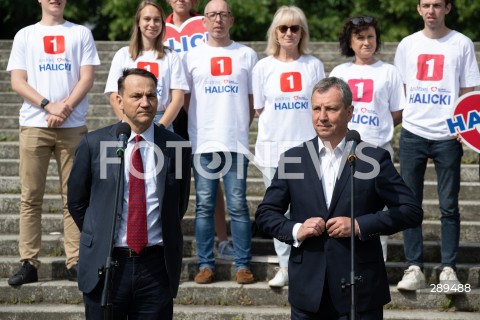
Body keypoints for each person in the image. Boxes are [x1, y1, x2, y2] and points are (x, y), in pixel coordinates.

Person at [255, 77, 423, 319]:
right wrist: (296, 229)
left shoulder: (372, 158)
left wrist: (359, 225)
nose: (322, 116)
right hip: (308, 292)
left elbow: (410, 210)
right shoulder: (293, 158)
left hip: (360, 290)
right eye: (316, 108)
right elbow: (265, 213)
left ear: (349, 112)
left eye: (331, 109)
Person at [67, 68, 192, 319]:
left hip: (155, 267)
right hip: (107, 264)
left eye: (151, 96)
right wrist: (100, 234)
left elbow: (178, 204)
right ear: (120, 101)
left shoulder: (176, 146)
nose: (145, 103)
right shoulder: (95, 143)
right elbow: (77, 201)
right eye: (136, 96)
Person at [6, 0, 100, 286]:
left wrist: (65, 108)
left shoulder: (80, 33)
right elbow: (18, 81)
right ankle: (29, 262)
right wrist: (49, 106)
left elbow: (87, 77)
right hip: (35, 124)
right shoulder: (25, 35)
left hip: (72, 126)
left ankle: (75, 261)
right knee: (30, 197)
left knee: (72, 197)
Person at [394, 0, 480, 292]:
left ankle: (448, 270)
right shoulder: (407, 44)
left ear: (448, 9)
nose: (431, 10)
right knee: (409, 203)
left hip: (447, 136)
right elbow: (400, 88)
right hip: (413, 133)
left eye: (437, 5)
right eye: (426, 5)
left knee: (449, 206)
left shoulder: (462, 43)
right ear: (418, 9)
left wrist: (463, 129)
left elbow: (469, 91)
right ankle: (414, 267)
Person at [183, 0, 258, 284]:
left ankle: (242, 264)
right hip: (203, 141)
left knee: (238, 204)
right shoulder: (191, 56)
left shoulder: (246, 55)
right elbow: (186, 99)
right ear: (203, 21)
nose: (218, 20)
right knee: (203, 204)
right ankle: (206, 264)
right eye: (212, 15)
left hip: (235, 141)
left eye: (223, 15)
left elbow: (252, 101)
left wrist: (237, 125)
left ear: (231, 20)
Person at [252, 5, 324, 288]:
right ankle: (284, 266)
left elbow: (320, 107)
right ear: (275, 32)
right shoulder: (263, 67)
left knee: (306, 208)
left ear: (302, 32)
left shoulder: (313, 65)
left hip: (307, 149)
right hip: (273, 149)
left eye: (295, 28)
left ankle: (306, 263)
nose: (289, 33)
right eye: (283, 28)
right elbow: (260, 108)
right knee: (278, 211)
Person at [330, 15, 405, 262]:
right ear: (350, 42)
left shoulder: (389, 71)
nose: (366, 42)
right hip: (343, 149)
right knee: (341, 208)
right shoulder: (340, 71)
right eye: (360, 37)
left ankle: (377, 266)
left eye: (370, 37)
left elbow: (396, 112)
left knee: (378, 212)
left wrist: (377, 130)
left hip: (377, 150)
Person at [165, 0, 235, 261]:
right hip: (171, 107)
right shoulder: (158, 24)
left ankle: (223, 239)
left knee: (211, 181)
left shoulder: (205, 22)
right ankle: (168, 241)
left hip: (200, 108)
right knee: (171, 180)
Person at [104, 0, 187, 132]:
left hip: (162, 122)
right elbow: (114, 97)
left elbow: (178, 99)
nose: (152, 24)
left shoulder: (171, 56)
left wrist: (160, 128)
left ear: (162, 24)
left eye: (157, 20)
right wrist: (128, 126)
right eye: (147, 19)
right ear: (138, 22)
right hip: (130, 121)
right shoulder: (123, 54)